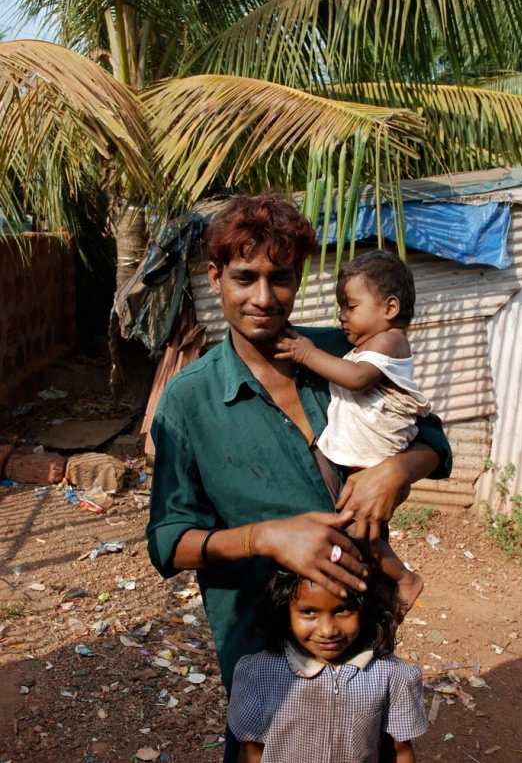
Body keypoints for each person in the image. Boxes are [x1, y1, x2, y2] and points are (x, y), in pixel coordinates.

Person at [146, 194, 451, 760]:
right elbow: (168, 542)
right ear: (215, 278)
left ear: (298, 277)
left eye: (279, 278)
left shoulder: (343, 353)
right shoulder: (189, 401)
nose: (263, 298)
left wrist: (399, 468)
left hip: (355, 626)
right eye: (244, 277)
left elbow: (430, 432)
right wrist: (264, 536)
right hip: (262, 644)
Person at [274, 250, 429, 613]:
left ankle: (405, 579)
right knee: (359, 536)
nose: (341, 316)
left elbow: (358, 379)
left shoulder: (391, 340)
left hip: (376, 467)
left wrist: (306, 354)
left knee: (361, 536)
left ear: (389, 308)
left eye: (350, 306)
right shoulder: (367, 343)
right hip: (366, 466)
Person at [228, 551, 427, 763]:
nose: (327, 630)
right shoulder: (257, 674)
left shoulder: (392, 676)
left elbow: (399, 751)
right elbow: (251, 750)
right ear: (284, 610)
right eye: (308, 612)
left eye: (343, 610)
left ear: (366, 609)